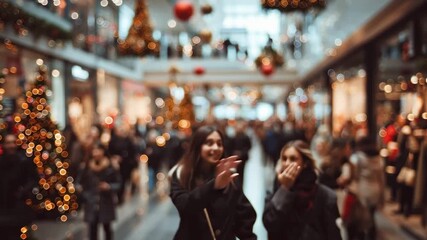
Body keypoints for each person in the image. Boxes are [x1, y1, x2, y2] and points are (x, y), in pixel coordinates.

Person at [169, 125, 257, 240]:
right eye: (209, 143)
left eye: (219, 144)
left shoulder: (228, 175)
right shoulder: (181, 174)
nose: (215, 148)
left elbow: (244, 214)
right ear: (197, 146)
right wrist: (214, 186)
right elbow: (185, 206)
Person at [263, 140, 342, 240]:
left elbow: (333, 234)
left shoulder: (325, 195)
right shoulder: (275, 192)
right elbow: (270, 223)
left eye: (293, 159)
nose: (287, 163)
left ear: (305, 163)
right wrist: (285, 189)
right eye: (284, 159)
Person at [77, 143, 121, 240]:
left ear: (103, 152)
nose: (95, 153)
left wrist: (109, 187)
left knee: (107, 228)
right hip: (91, 202)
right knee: (92, 229)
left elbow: (118, 183)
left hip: (106, 202)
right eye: (94, 151)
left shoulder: (110, 167)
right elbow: (79, 184)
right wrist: (86, 196)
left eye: (98, 150)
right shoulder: (87, 167)